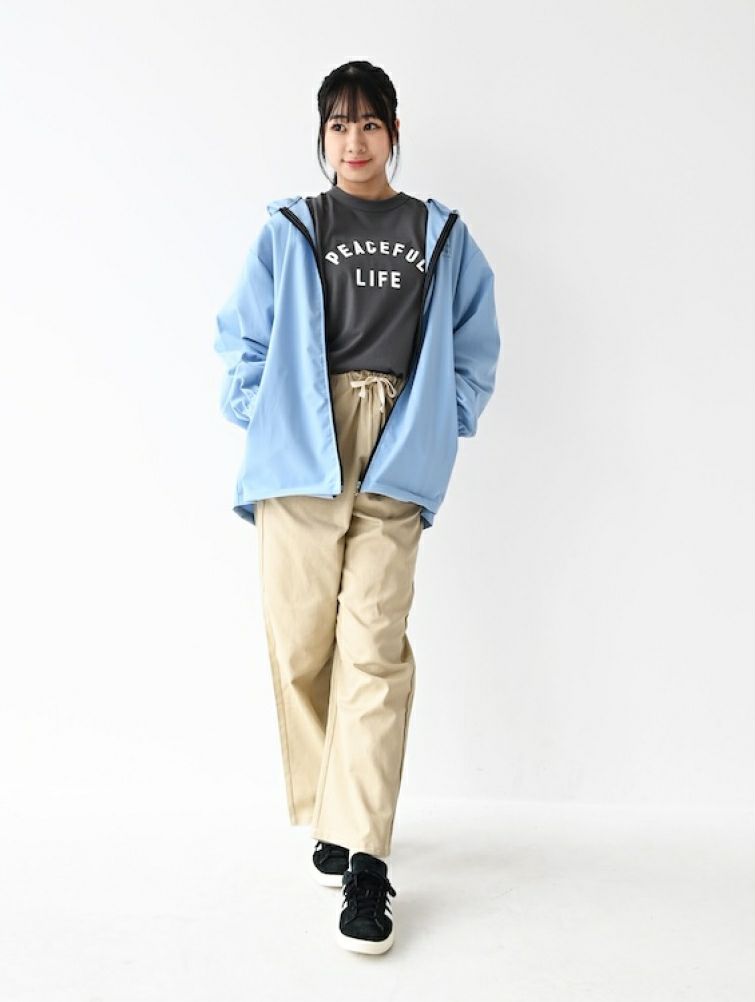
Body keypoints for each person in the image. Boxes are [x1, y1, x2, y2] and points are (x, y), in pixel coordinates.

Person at [213, 60, 501, 954]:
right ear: (322, 136)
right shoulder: (293, 228)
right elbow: (242, 339)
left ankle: (366, 857)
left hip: (395, 443)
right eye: (339, 125)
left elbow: (474, 346)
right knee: (301, 641)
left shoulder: (439, 233)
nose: (355, 141)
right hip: (303, 445)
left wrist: (440, 421)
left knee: (374, 645)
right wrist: (263, 410)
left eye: (370, 123)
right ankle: (335, 808)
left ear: (394, 131)